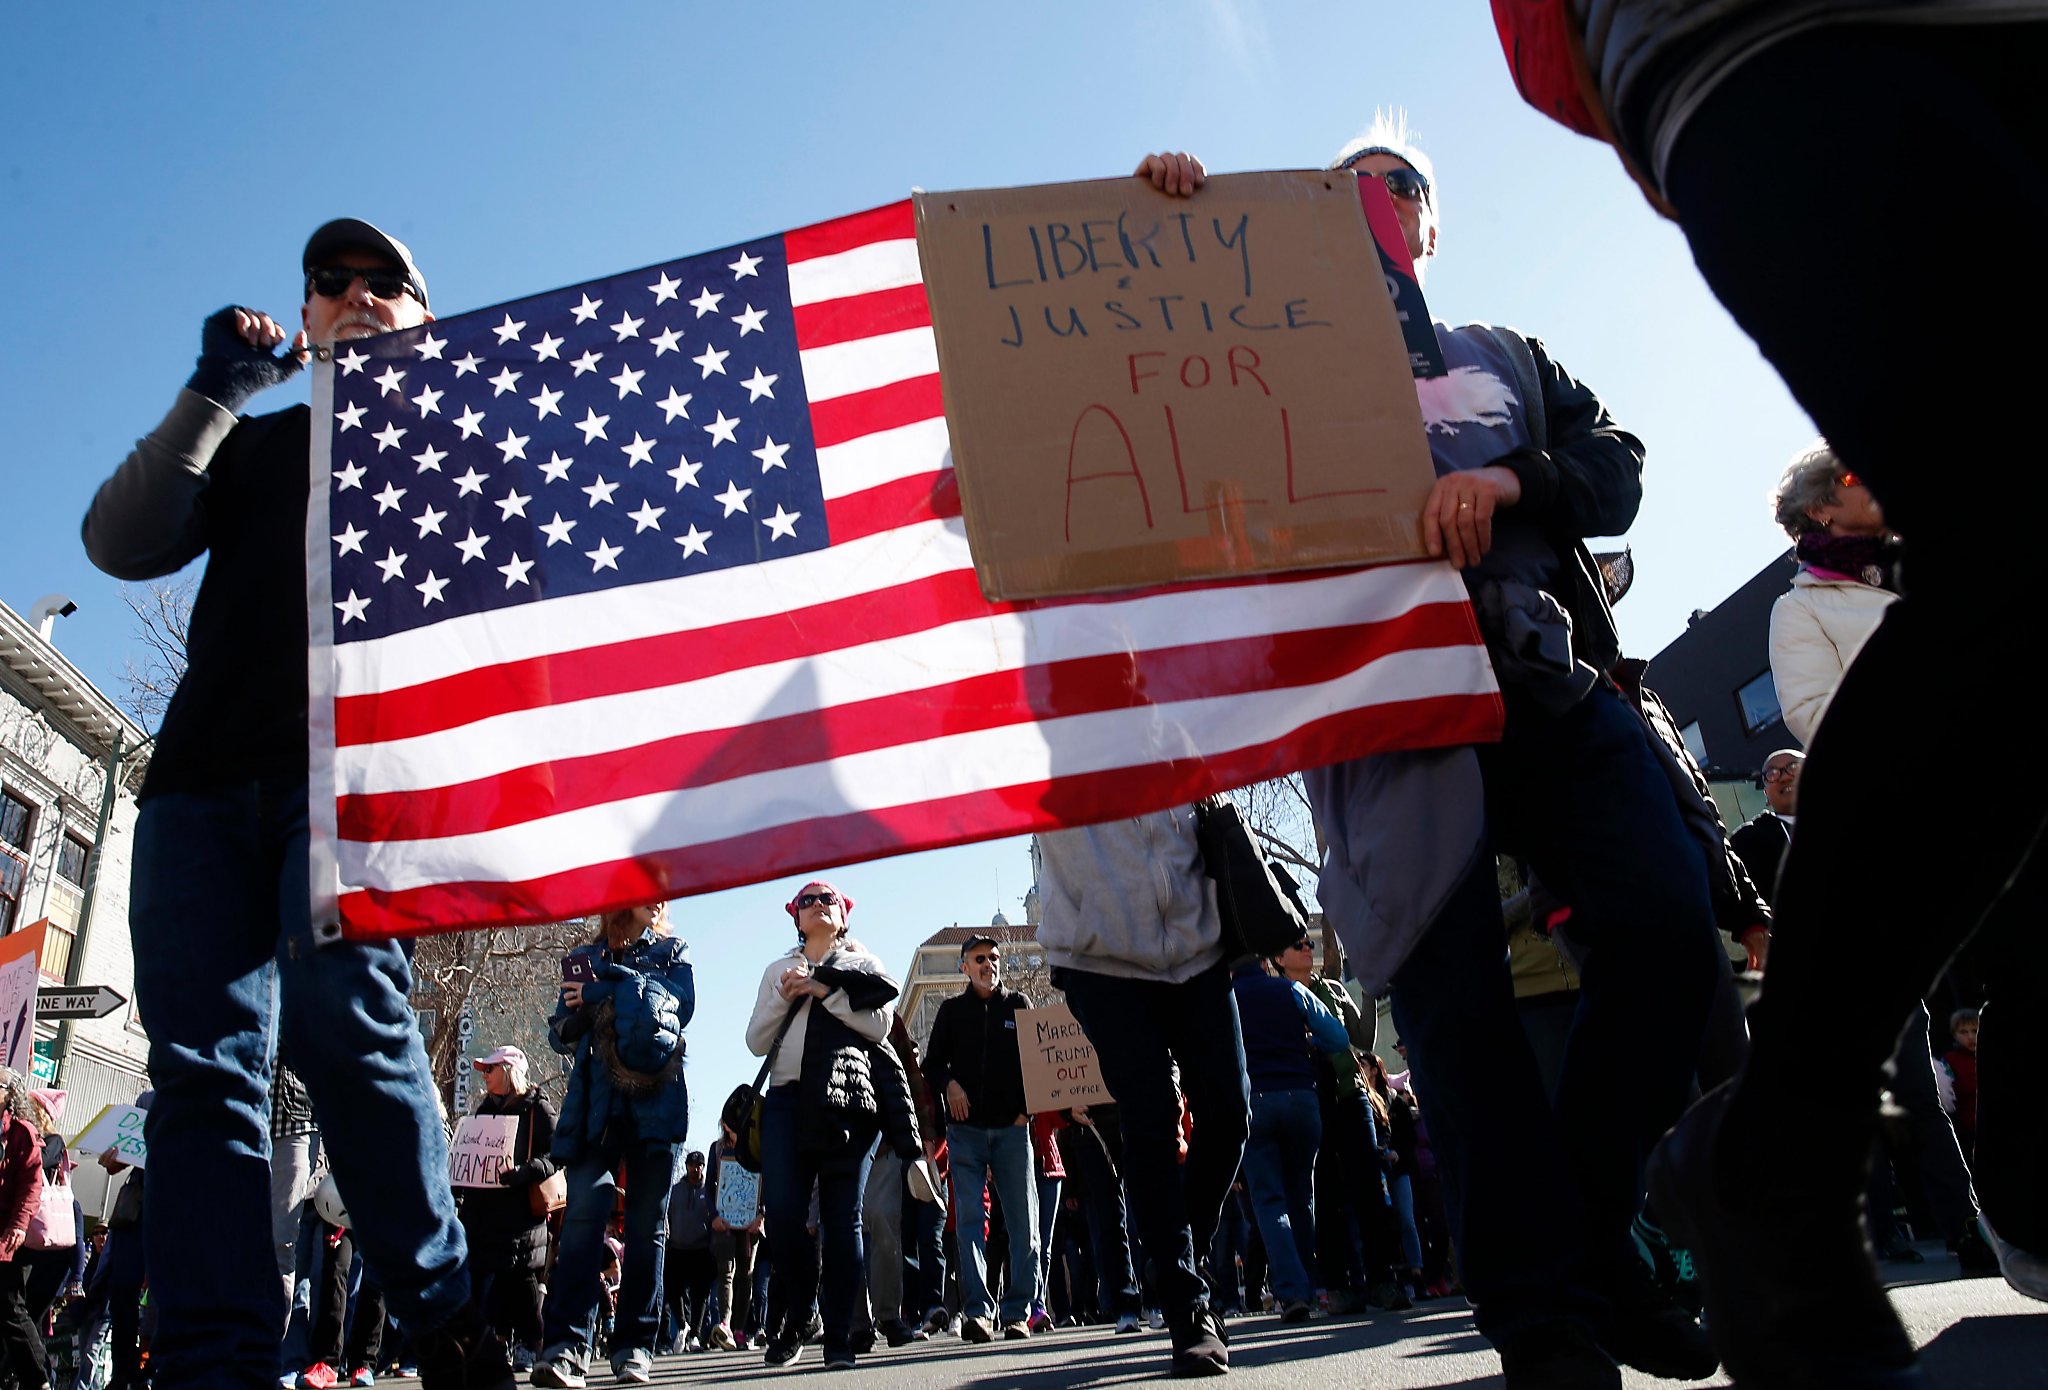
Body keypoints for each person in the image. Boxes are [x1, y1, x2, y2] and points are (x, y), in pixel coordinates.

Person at [1143, 126, 1723, 1386]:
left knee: (1671, 931)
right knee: (1459, 1029)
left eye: (1397, 184)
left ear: (1428, 225)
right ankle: (1547, 1324)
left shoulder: (1503, 356)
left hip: (1547, 682)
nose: (1374, 199)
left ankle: (1587, 1238)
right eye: (1343, 185)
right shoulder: (1253, 371)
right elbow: (1163, 447)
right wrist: (1176, 233)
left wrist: (1512, 481)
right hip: (1385, 718)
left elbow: (1614, 468)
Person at [81, 219, 509, 1390]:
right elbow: (120, 541)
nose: (358, 297)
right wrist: (217, 385)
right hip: (201, 790)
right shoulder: (257, 443)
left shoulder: (467, 455)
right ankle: (213, 1359)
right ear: (307, 311)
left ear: (426, 318)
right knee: (207, 1068)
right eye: (334, 283)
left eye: (388, 285)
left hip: (357, 785)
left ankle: (439, 1314)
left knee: (345, 1025)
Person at [1035, 806, 1248, 1377]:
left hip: (1196, 942)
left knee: (1230, 1114)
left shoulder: (1169, 720)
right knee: (1150, 1116)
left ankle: (1177, 1258)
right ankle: (1187, 1308)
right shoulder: (1049, 733)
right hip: (1100, 957)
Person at [533, 901, 693, 1388]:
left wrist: (601, 991)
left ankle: (635, 1347)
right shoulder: (584, 955)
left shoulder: (673, 953)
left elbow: (671, 1010)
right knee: (583, 1218)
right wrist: (580, 1010)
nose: (659, 899)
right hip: (594, 1108)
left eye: (662, 894)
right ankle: (565, 1348)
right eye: (646, 887)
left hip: (656, 1107)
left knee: (647, 1229)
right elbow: (560, 1030)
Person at [744, 881, 901, 1372]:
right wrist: (785, 996)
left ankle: (838, 1336)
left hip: (847, 1102)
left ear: (844, 914)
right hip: (786, 1102)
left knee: (843, 1220)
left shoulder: (864, 964)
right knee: (786, 1215)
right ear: (795, 917)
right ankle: (799, 1312)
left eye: (827, 898)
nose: (817, 905)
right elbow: (753, 1041)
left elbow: (879, 1024)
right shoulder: (777, 968)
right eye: (807, 900)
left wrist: (823, 990)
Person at [920, 933, 1037, 1343]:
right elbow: (931, 1064)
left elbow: (1038, 1062)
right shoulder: (951, 1013)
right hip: (965, 1134)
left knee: (1024, 1221)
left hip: (1011, 1130)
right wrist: (949, 1083)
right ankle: (978, 1312)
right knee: (969, 1220)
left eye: (994, 957)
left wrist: (1028, 1110)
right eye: (979, 958)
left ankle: (1019, 1311)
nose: (989, 964)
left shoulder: (1019, 1005)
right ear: (964, 967)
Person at [1230, 951, 1354, 1321]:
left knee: (1269, 1200)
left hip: (1256, 1102)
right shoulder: (1290, 990)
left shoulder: (1228, 1001)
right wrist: (1307, 1043)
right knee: (1302, 1195)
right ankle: (1312, 1285)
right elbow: (1337, 1036)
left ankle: (1291, 1290)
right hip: (1301, 1096)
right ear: (1265, 962)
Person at [452, 1046, 556, 1374]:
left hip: (521, 1213)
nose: (484, 1075)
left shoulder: (537, 1109)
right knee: (488, 1280)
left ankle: (530, 1343)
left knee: (521, 1279)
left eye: (490, 1069)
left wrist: (527, 1171)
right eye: (484, 1070)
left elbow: (558, 1155)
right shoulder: (481, 1111)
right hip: (482, 1214)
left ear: (508, 1071)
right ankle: (496, 1342)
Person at [705, 1091, 765, 1352]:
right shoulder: (717, 1149)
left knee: (746, 1275)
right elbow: (709, 1186)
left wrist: (762, 1215)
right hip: (725, 1224)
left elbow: (768, 1183)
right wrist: (714, 1216)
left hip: (750, 1224)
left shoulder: (757, 1146)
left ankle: (740, 1331)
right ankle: (725, 1324)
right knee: (725, 1274)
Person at [0, 1070, 48, 1390]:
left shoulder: (22, 1134)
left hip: (5, 1235)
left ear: (10, 1094)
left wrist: (18, 1224)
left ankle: (38, 1379)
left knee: (9, 1307)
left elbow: (31, 1187)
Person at [1729, 751, 1801, 909]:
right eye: (1772, 774)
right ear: (1766, 795)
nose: (1785, 777)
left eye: (1794, 767)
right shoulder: (1747, 842)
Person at [663, 1153, 714, 1353]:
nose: (696, 1168)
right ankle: (683, 1325)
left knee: (700, 1295)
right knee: (674, 1290)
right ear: (686, 1166)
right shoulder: (675, 1190)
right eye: (692, 1165)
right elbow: (668, 1215)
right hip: (677, 1247)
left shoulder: (710, 1191)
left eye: (699, 1165)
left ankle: (695, 1336)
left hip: (701, 1249)